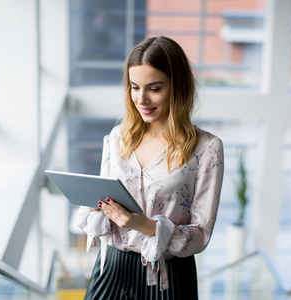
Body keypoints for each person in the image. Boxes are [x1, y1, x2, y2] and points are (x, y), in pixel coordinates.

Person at [77, 36, 224, 300]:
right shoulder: (117, 137)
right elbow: (102, 199)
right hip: (109, 270)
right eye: (134, 87)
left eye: (154, 88)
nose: (141, 99)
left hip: (168, 278)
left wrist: (146, 226)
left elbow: (201, 234)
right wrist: (95, 207)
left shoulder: (207, 148)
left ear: (178, 87)